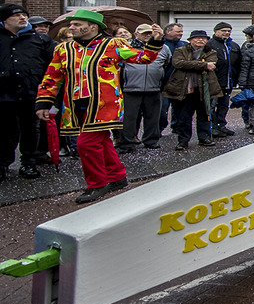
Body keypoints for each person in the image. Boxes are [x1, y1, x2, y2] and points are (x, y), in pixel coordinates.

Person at [35, 10, 164, 203]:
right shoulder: (63, 49)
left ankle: (97, 184)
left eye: (77, 24)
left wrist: (155, 41)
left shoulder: (113, 44)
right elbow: (52, 77)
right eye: (71, 25)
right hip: (75, 104)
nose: (71, 28)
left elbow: (143, 58)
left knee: (85, 143)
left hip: (105, 104)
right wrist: (44, 101)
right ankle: (117, 176)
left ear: (93, 26)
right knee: (102, 140)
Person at [1, 4, 55, 181]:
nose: (23, 18)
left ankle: (29, 163)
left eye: (24, 15)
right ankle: (3, 163)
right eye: (17, 15)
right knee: (6, 130)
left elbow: (56, 61)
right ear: (4, 19)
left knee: (31, 129)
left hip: (31, 92)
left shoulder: (39, 39)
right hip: (4, 94)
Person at [162, 29, 221, 151]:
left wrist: (191, 64)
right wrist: (203, 65)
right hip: (185, 90)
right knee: (184, 117)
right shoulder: (180, 50)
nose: (200, 40)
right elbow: (178, 63)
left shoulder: (211, 52)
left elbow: (212, 64)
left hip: (204, 90)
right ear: (190, 40)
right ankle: (183, 141)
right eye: (197, 38)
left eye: (203, 38)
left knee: (205, 115)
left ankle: (204, 138)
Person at [119, 23, 166, 152]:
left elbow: (167, 65)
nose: (148, 35)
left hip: (154, 88)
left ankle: (151, 141)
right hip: (131, 89)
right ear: (136, 34)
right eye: (144, 33)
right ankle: (127, 143)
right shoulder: (127, 47)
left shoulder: (163, 48)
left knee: (152, 118)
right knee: (129, 119)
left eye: (150, 33)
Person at [208, 22, 241, 136]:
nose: (227, 33)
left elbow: (238, 64)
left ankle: (221, 125)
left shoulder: (234, 46)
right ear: (216, 31)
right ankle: (212, 127)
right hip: (214, 82)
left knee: (224, 105)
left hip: (229, 82)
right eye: (224, 30)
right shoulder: (209, 45)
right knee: (212, 106)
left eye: (228, 31)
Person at [158, 22, 186, 131]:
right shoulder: (160, 44)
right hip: (164, 83)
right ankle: (159, 128)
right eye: (178, 31)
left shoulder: (184, 45)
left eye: (181, 32)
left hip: (179, 83)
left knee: (179, 109)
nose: (181, 34)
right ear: (168, 31)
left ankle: (177, 127)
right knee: (162, 109)